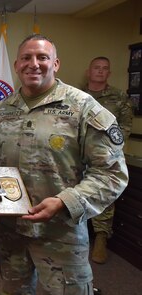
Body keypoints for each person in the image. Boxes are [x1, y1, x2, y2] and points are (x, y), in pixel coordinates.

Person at [0, 34, 128, 295]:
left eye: (42, 57)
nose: (34, 64)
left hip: (61, 232)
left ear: (55, 64)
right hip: (11, 232)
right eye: (26, 58)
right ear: (17, 65)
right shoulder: (1, 112)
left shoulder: (84, 108)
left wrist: (65, 201)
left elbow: (111, 173)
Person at [83, 56, 134, 264]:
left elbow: (125, 129)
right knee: (74, 191)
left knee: (103, 194)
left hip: (106, 156)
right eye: (97, 68)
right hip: (77, 154)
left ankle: (101, 238)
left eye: (105, 69)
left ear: (109, 74)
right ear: (89, 71)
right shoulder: (77, 96)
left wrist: (108, 150)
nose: (100, 72)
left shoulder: (119, 98)